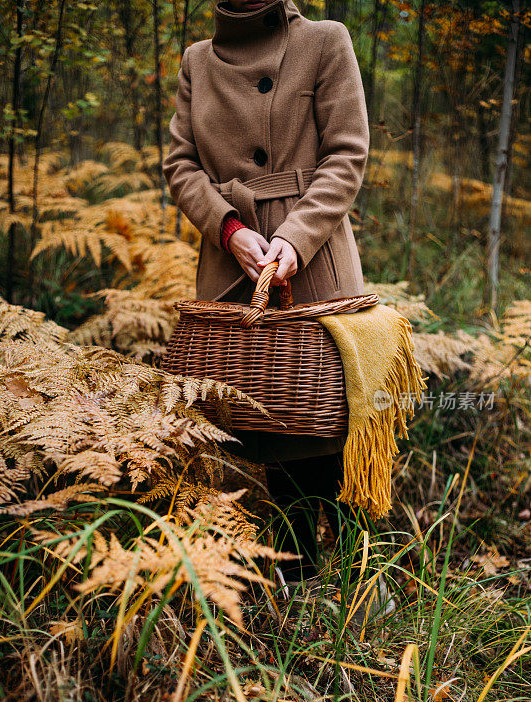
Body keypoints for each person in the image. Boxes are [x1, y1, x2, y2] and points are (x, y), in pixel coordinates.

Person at [163, 0, 373, 589]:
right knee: (245, 434)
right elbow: (180, 165)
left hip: (313, 264)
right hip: (234, 268)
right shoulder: (196, 62)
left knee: (320, 432)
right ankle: (261, 600)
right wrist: (229, 230)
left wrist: (294, 240)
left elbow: (347, 154)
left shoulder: (326, 41)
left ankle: (343, 598)